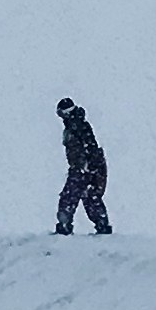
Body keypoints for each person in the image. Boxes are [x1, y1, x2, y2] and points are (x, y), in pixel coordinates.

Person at [53, 98, 113, 236]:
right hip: (87, 167)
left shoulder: (77, 125)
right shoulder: (76, 124)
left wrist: (88, 166)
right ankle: (102, 224)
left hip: (83, 168)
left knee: (69, 196)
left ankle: (64, 225)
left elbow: (89, 146)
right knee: (90, 196)